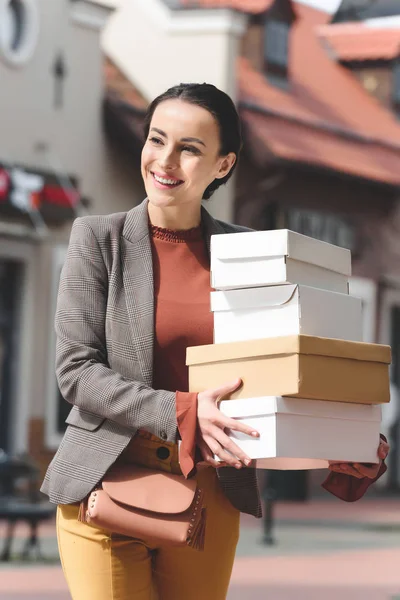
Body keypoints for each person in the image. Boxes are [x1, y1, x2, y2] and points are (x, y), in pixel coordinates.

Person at [41, 82, 388, 600]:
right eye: (157, 140)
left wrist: (340, 436)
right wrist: (182, 411)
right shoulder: (98, 240)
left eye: (189, 148)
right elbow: (76, 370)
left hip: (211, 496)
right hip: (104, 484)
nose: (165, 160)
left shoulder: (253, 253)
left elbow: (287, 362)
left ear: (223, 165)